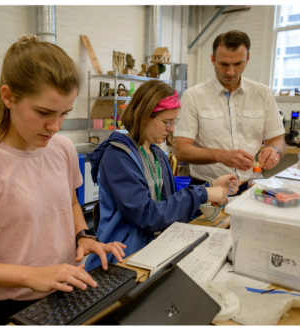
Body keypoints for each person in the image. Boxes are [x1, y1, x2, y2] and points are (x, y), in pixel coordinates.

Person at [0, 35, 126, 325]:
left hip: (66, 295)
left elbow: (67, 204)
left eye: (64, 114)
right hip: (7, 310)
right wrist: (31, 276)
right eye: (43, 112)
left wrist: (83, 236)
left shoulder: (62, 148)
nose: (54, 126)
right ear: (8, 97)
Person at [84, 80, 241, 272]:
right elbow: (147, 215)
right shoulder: (117, 156)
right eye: (167, 122)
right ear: (143, 116)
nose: (172, 129)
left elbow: (168, 203)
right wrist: (201, 193)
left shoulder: (156, 153)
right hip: (121, 259)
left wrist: (210, 187)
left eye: (174, 122)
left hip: (151, 251)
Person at [174, 30, 286, 192]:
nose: (231, 72)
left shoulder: (263, 94)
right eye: (224, 64)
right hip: (206, 188)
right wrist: (220, 155)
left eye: (238, 64)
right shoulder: (193, 96)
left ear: (247, 59)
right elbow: (181, 150)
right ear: (213, 59)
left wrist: (274, 150)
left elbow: (277, 140)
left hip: (249, 186)